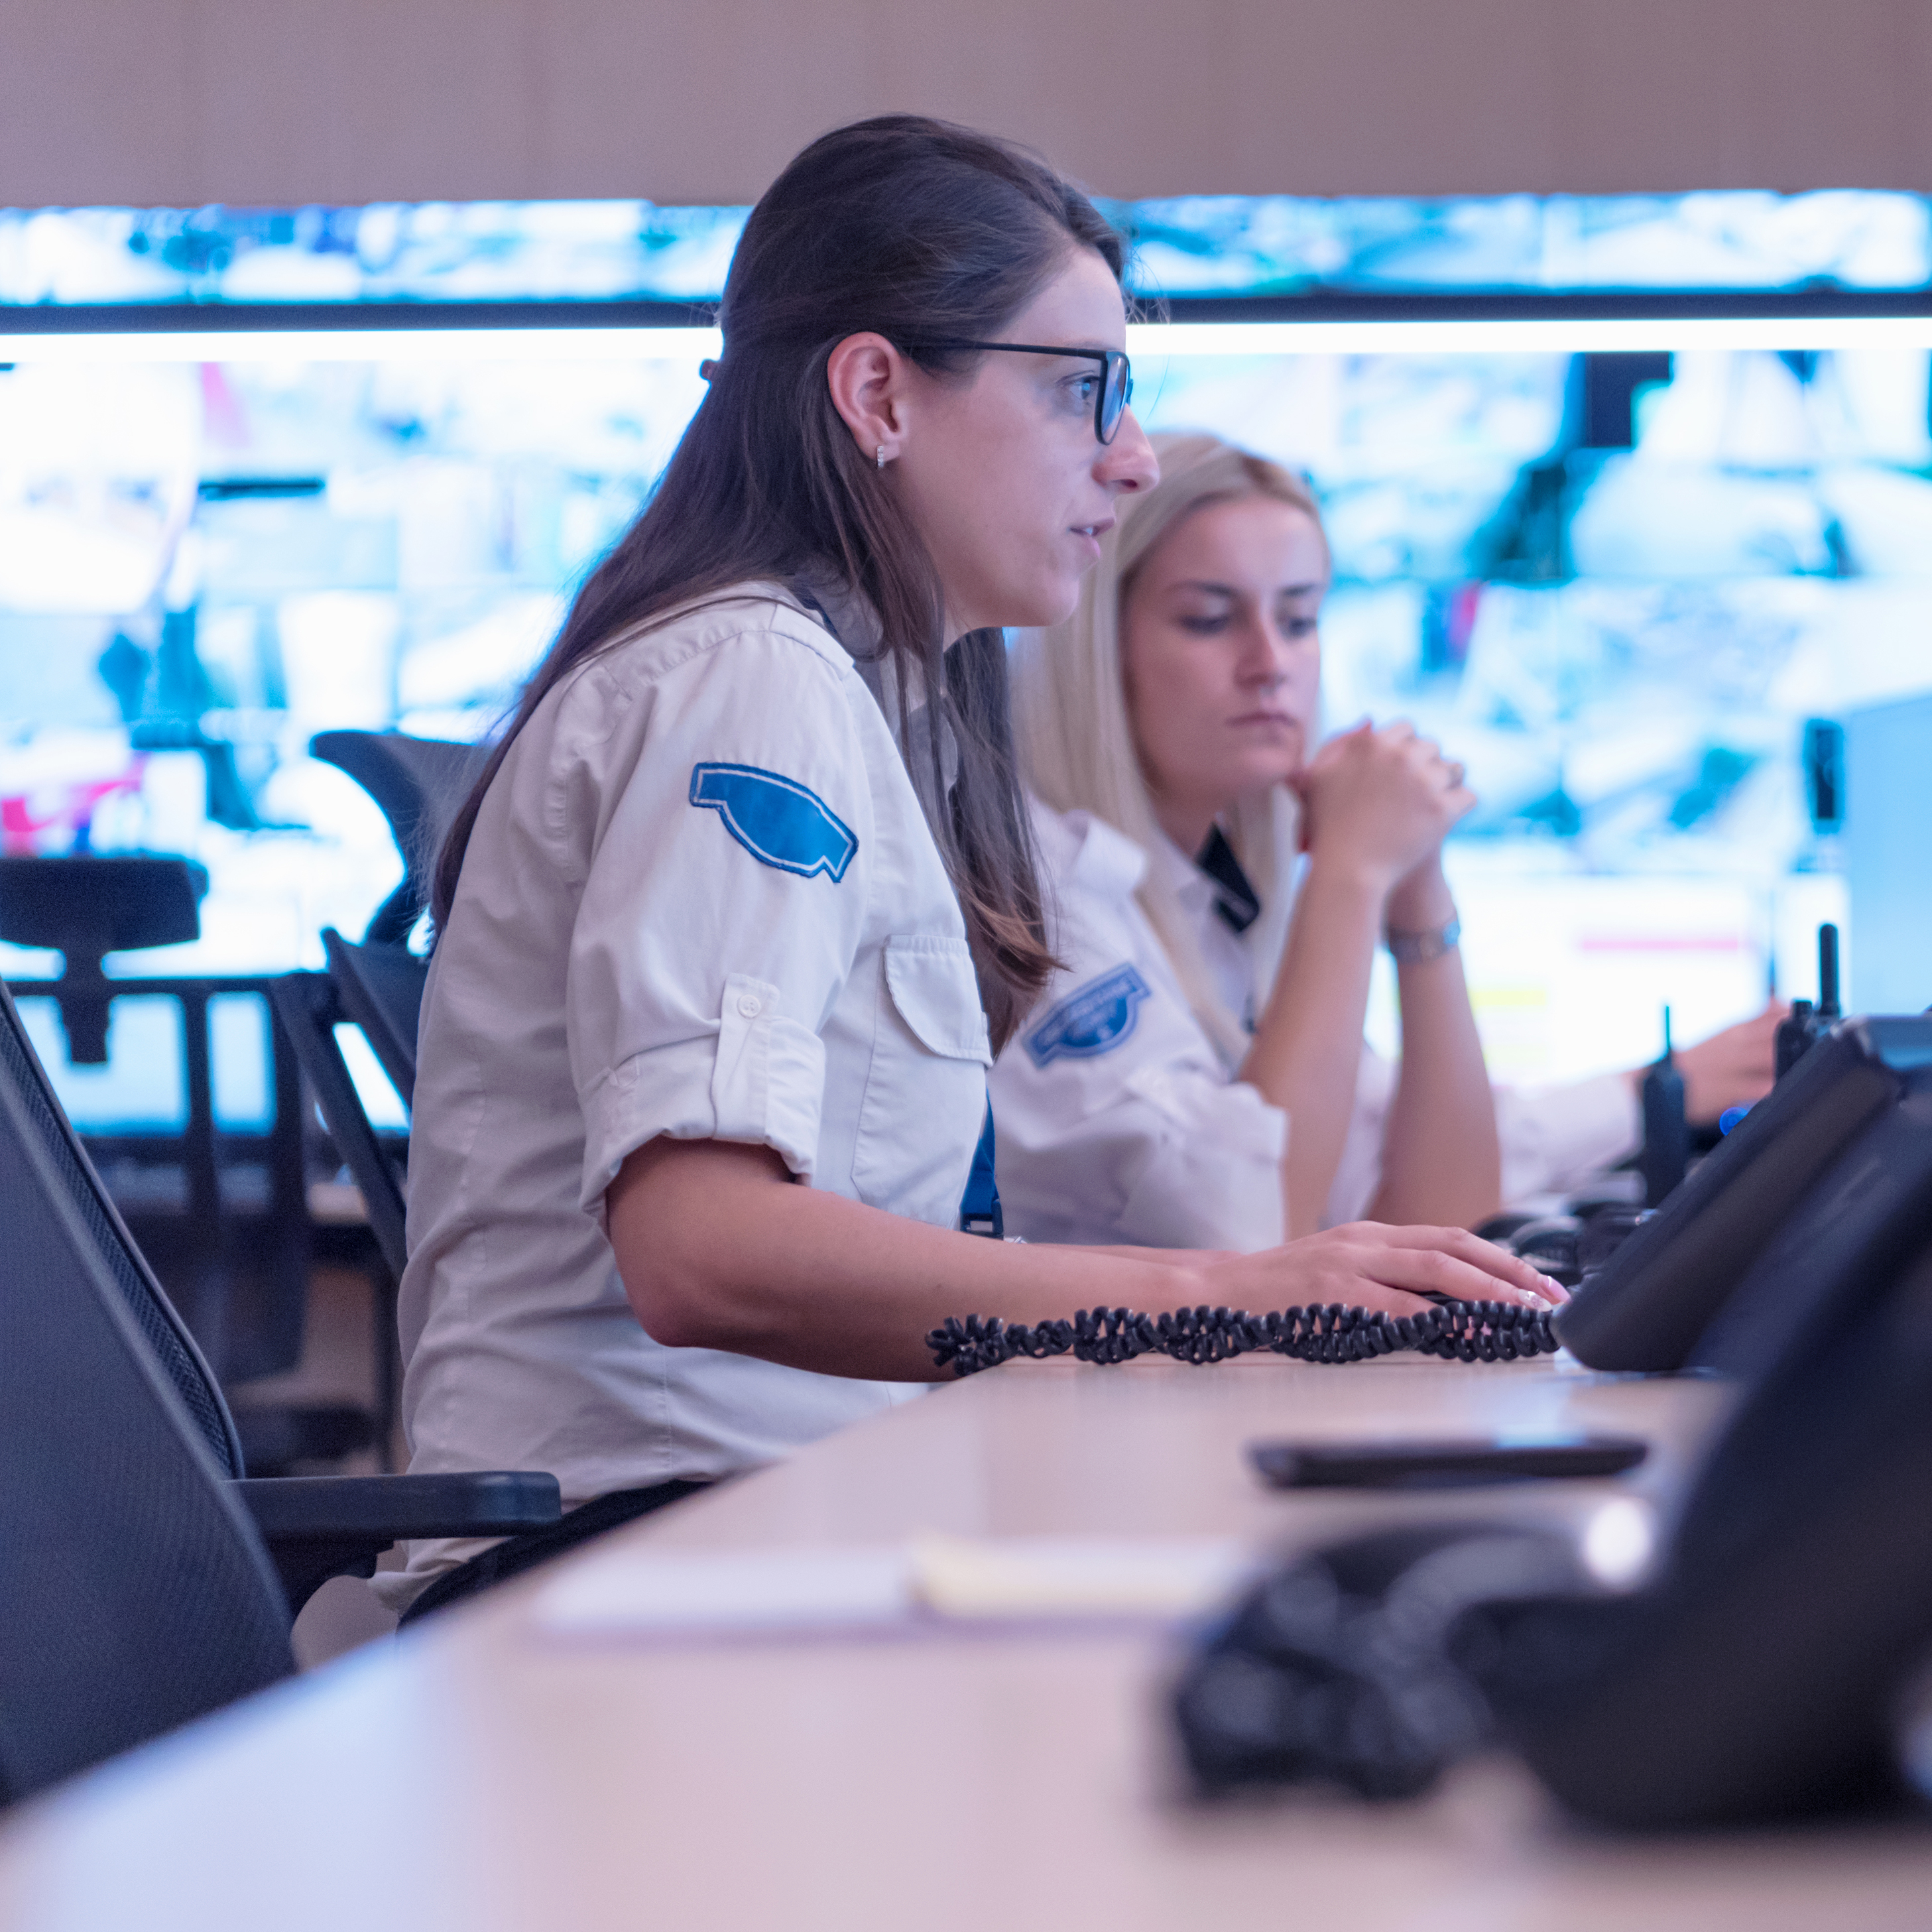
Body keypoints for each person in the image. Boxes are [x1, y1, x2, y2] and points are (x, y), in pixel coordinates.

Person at [396, 119, 1555, 1619]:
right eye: (1086, 390)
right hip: (632, 1557)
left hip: (756, 1529)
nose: (1128, 459)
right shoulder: (754, 680)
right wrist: (1215, 1300)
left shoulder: (869, 708)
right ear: (879, 392)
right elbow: (702, 1244)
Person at [993, 430, 1778, 1252]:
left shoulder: (1217, 903)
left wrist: (1419, 894)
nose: (1270, 663)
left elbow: (1446, 1210)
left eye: (1298, 620)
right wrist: (1352, 873)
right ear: (1098, 651)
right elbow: (1249, 1238)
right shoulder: (1040, 899)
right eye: (1209, 620)